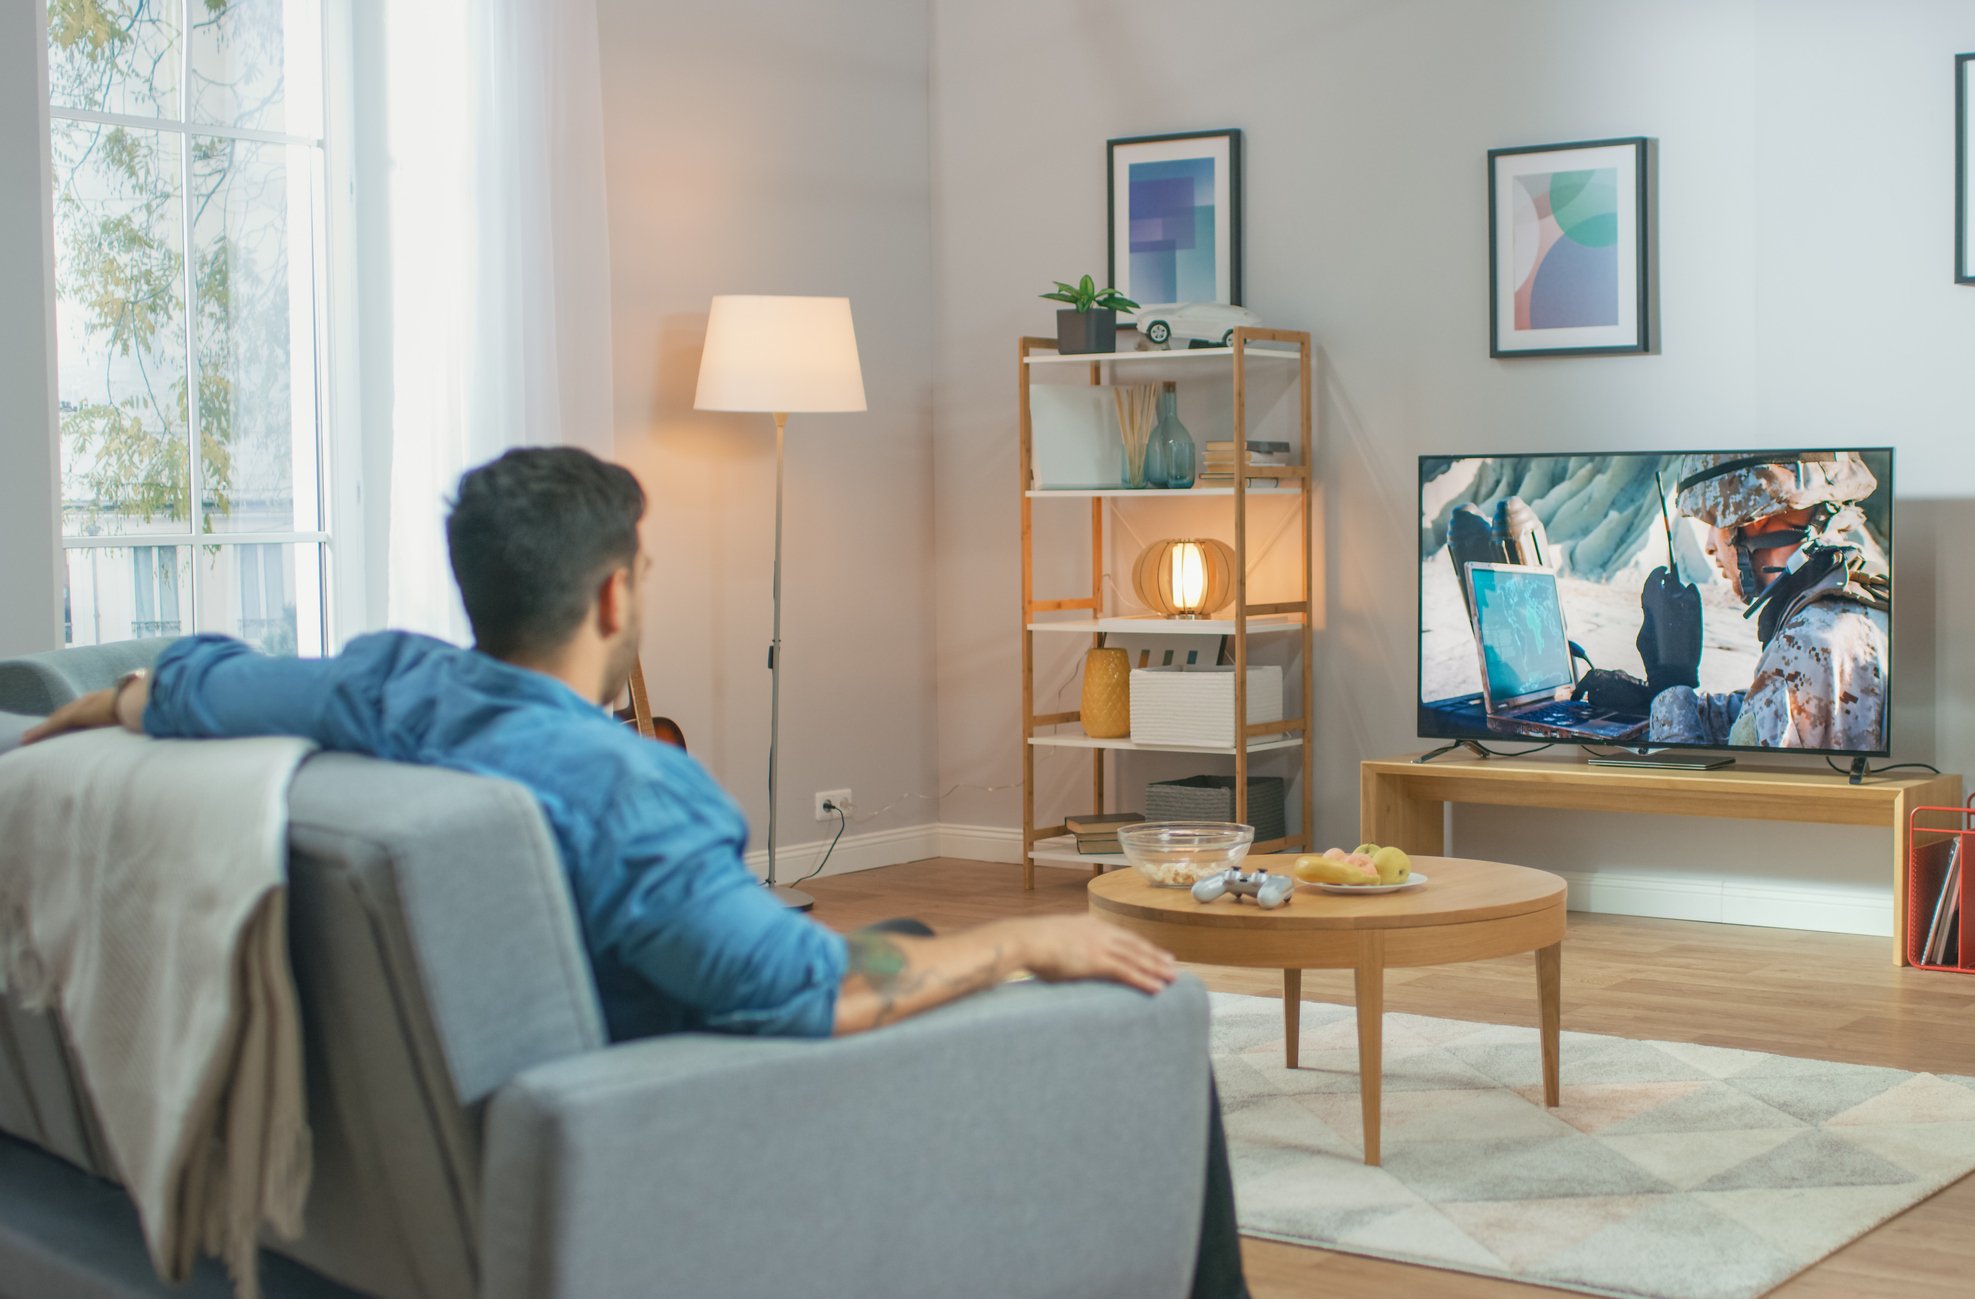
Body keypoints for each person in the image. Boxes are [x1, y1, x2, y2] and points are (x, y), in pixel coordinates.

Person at [25, 446, 1250, 1298]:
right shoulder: (627, 791)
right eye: (646, 577)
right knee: (1137, 1003)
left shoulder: (388, 683)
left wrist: (91, 715)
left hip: (467, 1140)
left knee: (924, 918)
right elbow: (807, 990)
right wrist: (1028, 940)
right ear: (614, 591)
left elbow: (185, 681)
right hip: (682, 1112)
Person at [1646, 452, 1890, 751]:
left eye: (1714, 522)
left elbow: (1707, 793)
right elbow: (1761, 718)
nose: (1710, 546)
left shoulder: (1808, 642)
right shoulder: (1849, 602)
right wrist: (1659, 702)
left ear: (1754, 516)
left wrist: (1669, 685)